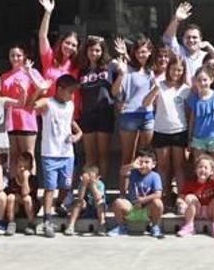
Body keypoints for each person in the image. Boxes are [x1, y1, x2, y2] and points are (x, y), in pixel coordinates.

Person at [35, 74, 83, 239]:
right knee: (50, 188)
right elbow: (31, 106)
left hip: (67, 154)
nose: (72, 95)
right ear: (60, 89)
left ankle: (59, 204)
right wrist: (39, 91)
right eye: (70, 91)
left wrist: (78, 134)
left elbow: (71, 123)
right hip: (50, 153)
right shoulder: (48, 103)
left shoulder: (69, 105)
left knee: (67, 185)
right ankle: (47, 220)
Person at [145, 54, 191, 203]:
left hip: (179, 130)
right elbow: (145, 103)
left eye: (179, 70)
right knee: (163, 166)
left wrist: (189, 134)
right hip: (161, 130)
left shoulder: (185, 89)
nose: (176, 73)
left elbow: (189, 113)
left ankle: (181, 198)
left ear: (183, 71)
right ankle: (164, 196)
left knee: (179, 166)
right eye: (173, 69)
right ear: (168, 69)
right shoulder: (159, 85)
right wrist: (155, 88)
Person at [76, 35, 116, 179]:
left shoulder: (110, 66)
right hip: (87, 114)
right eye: (92, 50)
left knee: (103, 155)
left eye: (98, 50)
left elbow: (126, 69)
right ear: (86, 51)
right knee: (90, 156)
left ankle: (101, 188)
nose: (94, 53)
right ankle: (89, 189)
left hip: (105, 113)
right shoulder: (81, 70)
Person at [112, 36, 156, 167]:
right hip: (130, 114)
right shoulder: (127, 69)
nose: (140, 55)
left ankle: (142, 187)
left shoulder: (150, 69)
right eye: (137, 52)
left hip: (147, 115)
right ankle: (123, 188)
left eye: (143, 52)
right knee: (128, 157)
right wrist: (123, 57)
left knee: (146, 157)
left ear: (149, 52)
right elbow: (114, 92)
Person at [0, 45, 42, 169]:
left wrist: (29, 73)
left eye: (18, 55)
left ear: (24, 57)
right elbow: (1, 98)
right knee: (13, 156)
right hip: (11, 120)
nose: (15, 58)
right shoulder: (4, 77)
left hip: (27, 119)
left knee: (28, 155)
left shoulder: (32, 72)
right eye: (12, 55)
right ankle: (14, 185)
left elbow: (42, 89)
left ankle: (31, 186)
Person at [161, 1, 214, 82]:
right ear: (183, 39)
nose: (191, 40)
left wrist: (209, 46)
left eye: (194, 37)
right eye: (188, 37)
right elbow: (167, 38)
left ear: (201, 39)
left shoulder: (206, 57)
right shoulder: (179, 51)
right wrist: (176, 20)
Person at [109, 149, 164, 239]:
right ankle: (121, 227)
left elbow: (158, 194)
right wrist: (132, 166)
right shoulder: (133, 172)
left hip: (147, 210)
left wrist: (143, 200)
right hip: (132, 208)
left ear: (153, 164)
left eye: (147, 162)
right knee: (118, 202)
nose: (143, 165)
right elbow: (122, 172)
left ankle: (154, 226)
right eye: (141, 162)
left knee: (158, 203)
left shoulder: (155, 176)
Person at [37, 0, 79, 97]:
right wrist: (48, 13)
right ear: (61, 43)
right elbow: (42, 36)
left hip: (68, 110)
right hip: (47, 109)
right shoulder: (49, 58)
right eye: (67, 43)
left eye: (73, 45)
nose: (69, 47)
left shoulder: (77, 65)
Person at [177, 154, 214, 238]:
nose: (203, 169)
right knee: (189, 197)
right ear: (196, 170)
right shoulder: (190, 183)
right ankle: (189, 226)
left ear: (211, 171)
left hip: (210, 211)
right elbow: (180, 198)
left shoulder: (213, 181)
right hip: (197, 210)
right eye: (200, 167)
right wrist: (181, 203)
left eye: (206, 168)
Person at [187, 68, 214, 163]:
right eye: (199, 80)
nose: (202, 83)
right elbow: (192, 120)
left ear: (211, 80)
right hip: (198, 138)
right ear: (195, 82)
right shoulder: (194, 98)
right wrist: (189, 138)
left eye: (205, 80)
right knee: (199, 165)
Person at [65, 165, 107, 237]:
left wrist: (93, 185)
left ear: (98, 177)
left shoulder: (100, 184)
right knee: (78, 202)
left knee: (100, 203)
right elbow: (80, 198)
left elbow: (98, 198)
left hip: (96, 209)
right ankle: (71, 225)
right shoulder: (82, 184)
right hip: (85, 209)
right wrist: (84, 185)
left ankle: (102, 225)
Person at [4, 151, 37, 236]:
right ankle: (11, 223)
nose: (22, 169)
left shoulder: (33, 180)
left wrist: (25, 178)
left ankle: (31, 224)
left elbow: (25, 193)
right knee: (11, 197)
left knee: (27, 198)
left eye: (25, 167)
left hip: (31, 208)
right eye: (20, 166)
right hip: (17, 208)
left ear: (30, 168)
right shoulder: (12, 181)